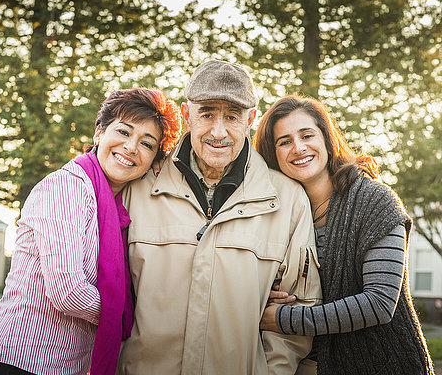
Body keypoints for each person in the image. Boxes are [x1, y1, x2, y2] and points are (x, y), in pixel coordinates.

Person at [117, 60, 322, 374]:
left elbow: (300, 307)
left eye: (232, 116)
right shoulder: (138, 187)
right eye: (207, 113)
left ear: (250, 120)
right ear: (187, 116)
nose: (218, 131)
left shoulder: (288, 200)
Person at [0, 88, 182, 375]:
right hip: (22, 359)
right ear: (99, 132)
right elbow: (68, 292)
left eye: (147, 144)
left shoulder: (117, 209)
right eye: (124, 132)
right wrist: (133, 316)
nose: (131, 147)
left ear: (153, 161)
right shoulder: (67, 187)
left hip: (67, 364)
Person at [254, 95, 434, 374]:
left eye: (307, 135)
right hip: (298, 365)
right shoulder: (273, 213)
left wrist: (281, 318)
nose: (298, 148)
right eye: (284, 141)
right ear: (272, 154)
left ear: (327, 139)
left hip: (378, 364)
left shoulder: (373, 200)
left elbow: (379, 303)